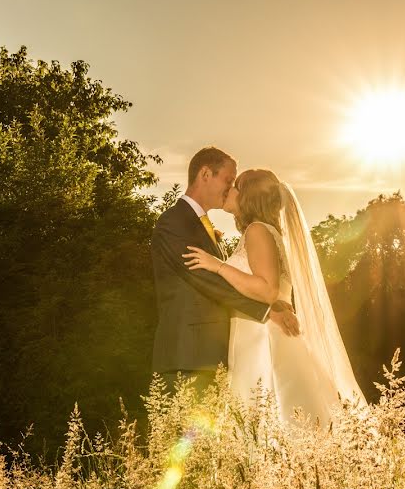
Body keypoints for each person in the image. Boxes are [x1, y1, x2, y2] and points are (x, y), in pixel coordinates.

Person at [183, 168, 367, 426]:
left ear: (248, 197)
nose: (229, 190)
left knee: (270, 411)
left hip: (263, 335)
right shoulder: (264, 231)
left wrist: (218, 266)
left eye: (236, 186)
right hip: (258, 330)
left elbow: (267, 290)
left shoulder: (258, 231)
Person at [151, 148, 299, 395]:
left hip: (214, 355)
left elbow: (225, 277)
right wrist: (265, 310)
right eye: (229, 180)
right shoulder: (174, 222)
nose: (231, 188)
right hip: (188, 356)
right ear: (206, 174)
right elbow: (203, 278)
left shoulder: (209, 227)